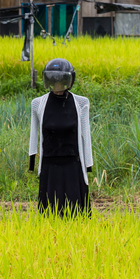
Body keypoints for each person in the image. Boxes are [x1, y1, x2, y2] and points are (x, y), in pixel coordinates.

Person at [29, 58, 93, 216]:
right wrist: (32, 159)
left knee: (76, 212)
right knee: (50, 211)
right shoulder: (38, 103)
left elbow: (86, 135)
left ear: (69, 81)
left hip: (73, 162)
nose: (58, 86)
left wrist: (88, 163)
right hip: (49, 163)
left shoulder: (81, 102)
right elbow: (33, 133)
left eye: (61, 82)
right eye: (53, 81)